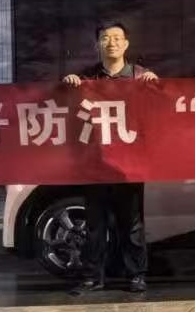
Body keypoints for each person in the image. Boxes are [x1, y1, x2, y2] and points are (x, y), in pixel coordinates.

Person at [64, 23, 159, 295]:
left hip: (129, 165)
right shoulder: (87, 78)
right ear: (98, 45)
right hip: (96, 164)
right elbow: (69, 111)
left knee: (132, 224)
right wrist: (69, 85)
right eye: (105, 38)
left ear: (126, 44)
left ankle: (136, 275)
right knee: (95, 225)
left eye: (117, 38)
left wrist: (155, 86)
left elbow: (158, 111)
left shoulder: (140, 76)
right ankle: (92, 277)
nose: (112, 43)